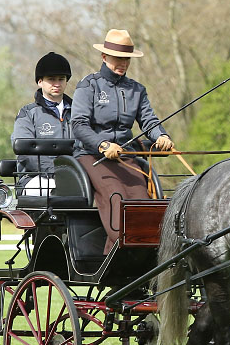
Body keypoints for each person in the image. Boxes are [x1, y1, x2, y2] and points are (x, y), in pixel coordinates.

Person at [71, 29, 174, 253]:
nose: (122, 63)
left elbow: (149, 120)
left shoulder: (137, 90)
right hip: (92, 156)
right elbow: (78, 124)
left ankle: (139, 267)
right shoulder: (89, 86)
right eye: (118, 58)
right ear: (104, 57)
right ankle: (113, 259)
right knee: (116, 198)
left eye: (126, 59)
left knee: (143, 207)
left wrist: (162, 136)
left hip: (126, 156)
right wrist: (102, 145)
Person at [11, 52, 73, 196]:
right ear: (40, 81)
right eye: (51, 79)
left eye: (61, 79)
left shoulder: (79, 113)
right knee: (56, 190)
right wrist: (56, 172)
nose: (57, 84)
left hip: (75, 175)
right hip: (36, 177)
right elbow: (27, 153)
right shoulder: (27, 113)